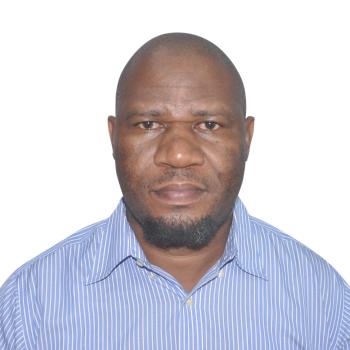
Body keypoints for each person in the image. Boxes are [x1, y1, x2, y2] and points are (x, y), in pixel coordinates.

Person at [0, 33, 349, 350]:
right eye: (148, 124)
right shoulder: (30, 306)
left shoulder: (321, 299)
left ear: (246, 138)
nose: (178, 154)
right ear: (114, 136)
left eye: (208, 124)